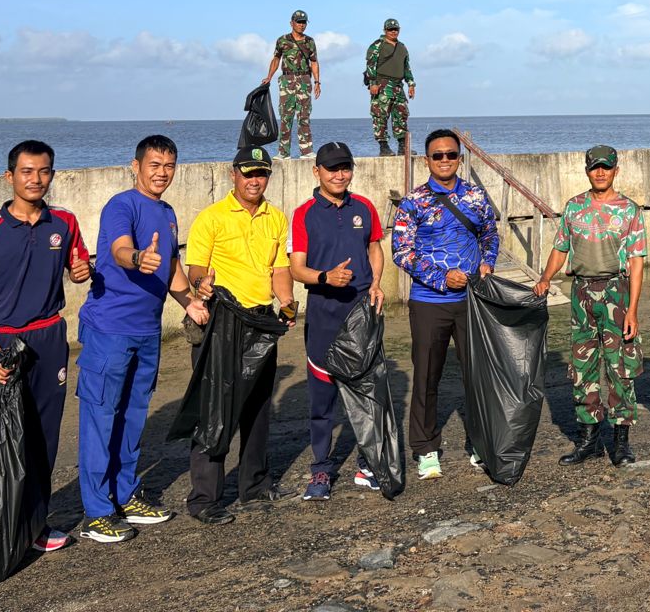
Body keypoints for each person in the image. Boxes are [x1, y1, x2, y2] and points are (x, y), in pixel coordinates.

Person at [0, 139, 90, 555]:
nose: (36, 179)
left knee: (43, 436)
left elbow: (79, 265)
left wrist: (82, 270)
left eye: (44, 171)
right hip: (4, 341)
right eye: (27, 171)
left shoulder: (64, 222)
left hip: (49, 338)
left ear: (52, 175)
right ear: (9, 176)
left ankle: (34, 525)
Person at [76, 135, 210, 544]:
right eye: (154, 164)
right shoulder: (122, 205)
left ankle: (126, 494)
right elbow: (120, 250)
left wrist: (190, 302)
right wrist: (137, 258)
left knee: (133, 417)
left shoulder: (167, 213)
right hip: (109, 329)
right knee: (101, 418)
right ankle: (97, 512)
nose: (162, 173)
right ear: (136, 166)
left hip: (147, 331)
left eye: (169, 166)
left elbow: (170, 266)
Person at [182, 144, 297, 523]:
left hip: (261, 320)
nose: (254, 180)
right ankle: (204, 499)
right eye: (248, 173)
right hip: (222, 321)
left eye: (261, 174)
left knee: (259, 406)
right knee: (214, 408)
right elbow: (196, 268)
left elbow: (279, 269)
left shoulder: (275, 217)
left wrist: (287, 301)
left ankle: (255, 484)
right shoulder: (211, 218)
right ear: (234, 174)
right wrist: (202, 284)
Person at [391, 128, 500, 480]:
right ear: (427, 160)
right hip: (429, 302)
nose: (444, 160)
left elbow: (489, 233)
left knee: (478, 375)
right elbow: (402, 252)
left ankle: (481, 442)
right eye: (437, 155)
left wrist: (487, 263)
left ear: (459, 158)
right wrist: (441, 278)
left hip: (471, 301)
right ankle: (425, 449)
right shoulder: (413, 202)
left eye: (451, 154)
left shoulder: (475, 195)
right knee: (426, 376)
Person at [533, 145, 647, 467]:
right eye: (595, 167)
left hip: (616, 292)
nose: (600, 172)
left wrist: (633, 310)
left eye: (606, 167)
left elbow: (637, 263)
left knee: (620, 369)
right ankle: (589, 441)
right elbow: (560, 249)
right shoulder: (574, 207)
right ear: (587, 171)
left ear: (615, 171)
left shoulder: (629, 210)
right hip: (581, 293)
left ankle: (621, 443)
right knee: (583, 369)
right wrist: (545, 278)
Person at [288, 141, 389, 501]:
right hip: (324, 313)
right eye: (332, 168)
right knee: (322, 399)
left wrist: (376, 283)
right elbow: (296, 268)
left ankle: (367, 463)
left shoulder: (364, 207)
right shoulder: (303, 214)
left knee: (366, 393)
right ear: (317, 171)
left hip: (362, 312)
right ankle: (321, 469)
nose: (339, 175)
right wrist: (325, 277)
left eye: (345, 167)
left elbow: (374, 247)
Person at [264, 9, 321, 159]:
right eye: (299, 22)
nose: (301, 25)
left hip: (304, 80)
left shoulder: (309, 41)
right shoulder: (282, 40)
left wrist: (317, 82)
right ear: (292, 23)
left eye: (304, 22)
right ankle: (283, 152)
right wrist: (269, 76)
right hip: (287, 80)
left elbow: (314, 62)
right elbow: (276, 59)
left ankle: (306, 151)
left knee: (304, 116)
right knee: (286, 116)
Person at [363, 17, 415, 156]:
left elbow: (406, 67)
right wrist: (373, 83)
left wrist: (411, 84)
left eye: (395, 29)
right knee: (380, 115)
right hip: (382, 84)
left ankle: (402, 146)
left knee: (401, 115)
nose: (393, 32)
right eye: (390, 29)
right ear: (385, 30)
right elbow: (370, 65)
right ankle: (383, 147)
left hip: (398, 85)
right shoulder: (377, 45)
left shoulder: (402, 47)